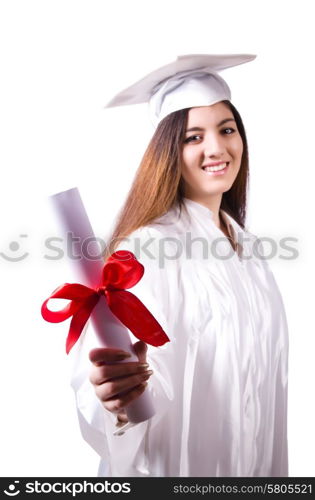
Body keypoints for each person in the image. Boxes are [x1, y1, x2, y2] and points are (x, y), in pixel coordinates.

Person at [70, 54, 289, 477]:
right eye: (193, 137)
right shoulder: (148, 250)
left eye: (227, 130)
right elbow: (118, 378)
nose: (216, 148)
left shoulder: (249, 251)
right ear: (169, 152)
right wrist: (115, 400)